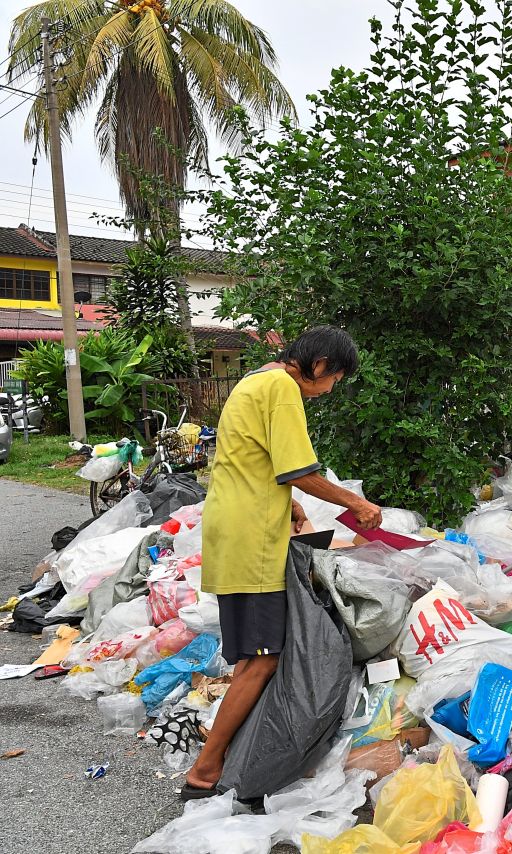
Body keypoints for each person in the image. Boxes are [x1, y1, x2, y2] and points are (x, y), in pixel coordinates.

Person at [181, 326, 383, 799]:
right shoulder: (283, 389)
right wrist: (357, 504)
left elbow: (254, 460)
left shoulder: (255, 380)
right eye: (335, 377)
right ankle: (205, 771)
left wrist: (288, 503)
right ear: (317, 366)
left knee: (256, 656)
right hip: (251, 539)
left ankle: (226, 756)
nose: (332, 388)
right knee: (261, 659)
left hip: (236, 525)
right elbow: (297, 469)